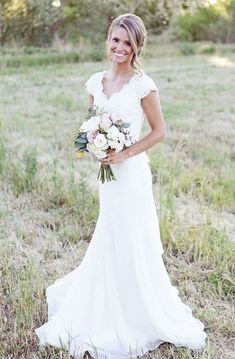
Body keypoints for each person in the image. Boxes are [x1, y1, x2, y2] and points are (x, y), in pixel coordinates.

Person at [35, 13, 207, 359]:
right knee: (110, 232)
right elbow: (88, 125)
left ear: (137, 46)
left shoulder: (144, 85)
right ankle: (104, 301)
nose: (120, 47)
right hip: (108, 178)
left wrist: (123, 152)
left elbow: (159, 132)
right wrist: (93, 144)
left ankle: (137, 311)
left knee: (131, 235)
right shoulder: (95, 82)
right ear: (108, 40)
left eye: (128, 42)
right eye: (116, 39)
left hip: (132, 176)